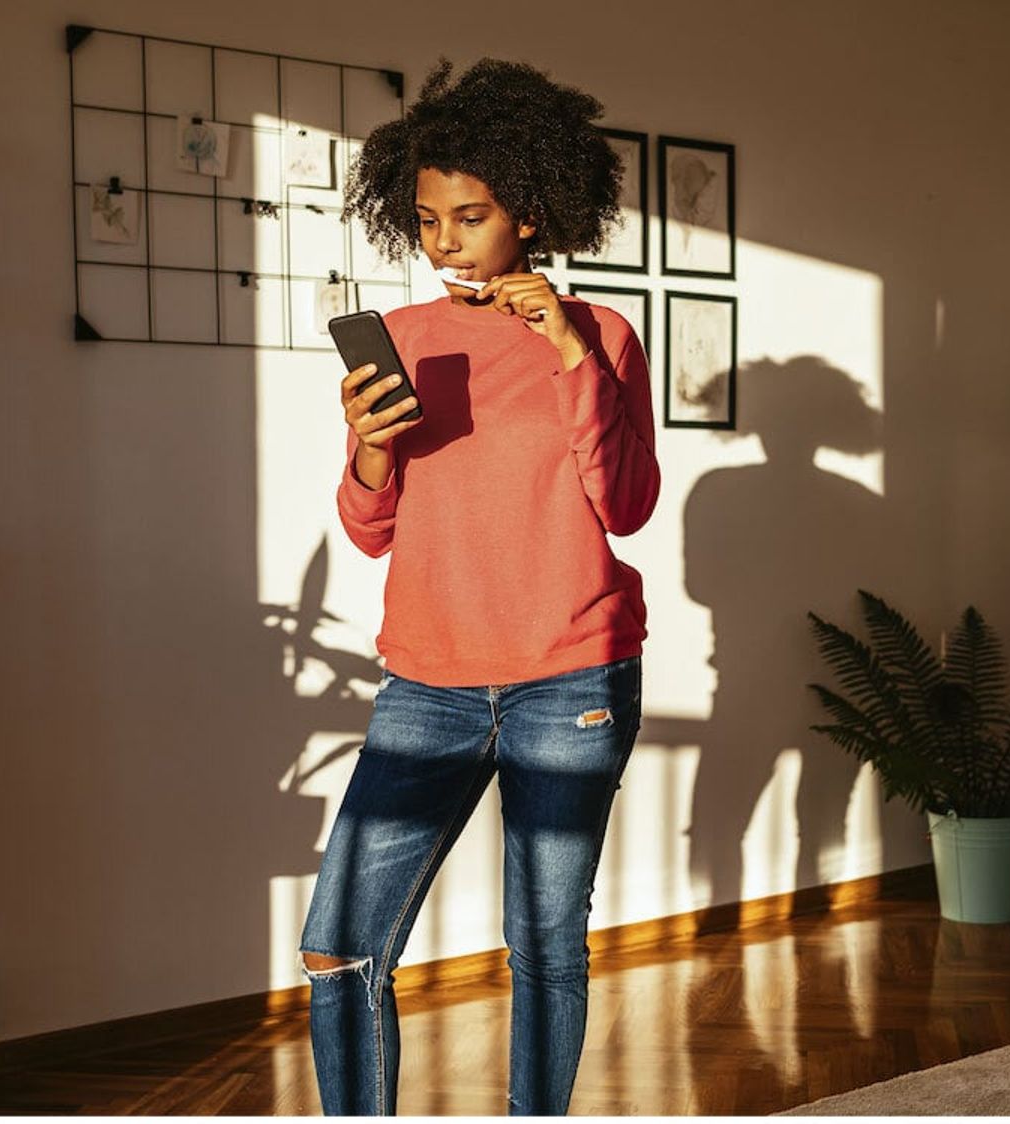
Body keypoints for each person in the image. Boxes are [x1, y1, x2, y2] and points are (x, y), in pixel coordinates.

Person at [298, 56, 660, 1116]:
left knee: (545, 946)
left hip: (573, 677)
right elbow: (372, 529)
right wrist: (368, 448)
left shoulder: (604, 336)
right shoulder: (404, 342)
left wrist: (567, 353)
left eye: (470, 214)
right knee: (339, 946)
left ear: (533, 214)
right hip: (429, 683)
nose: (444, 238)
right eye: (427, 217)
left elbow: (628, 502)